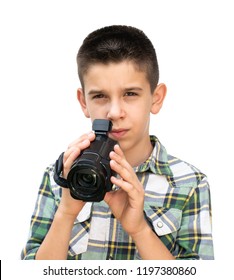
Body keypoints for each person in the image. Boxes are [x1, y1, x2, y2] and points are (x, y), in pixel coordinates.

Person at [21, 25, 214, 260]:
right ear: (83, 102)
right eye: (100, 96)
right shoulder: (60, 175)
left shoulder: (190, 183)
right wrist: (66, 212)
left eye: (130, 94)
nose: (114, 112)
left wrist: (140, 230)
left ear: (156, 98)